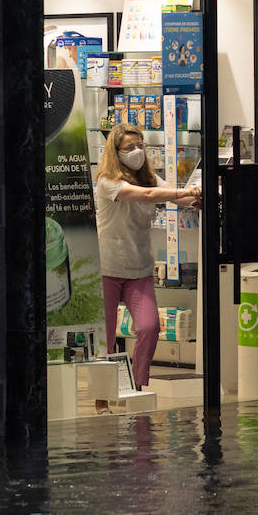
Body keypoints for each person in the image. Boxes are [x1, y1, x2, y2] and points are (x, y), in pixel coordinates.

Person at [93, 122, 201, 391]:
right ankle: (103, 397)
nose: (137, 151)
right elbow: (150, 196)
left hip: (139, 269)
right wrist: (183, 192)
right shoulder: (107, 182)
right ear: (115, 152)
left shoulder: (150, 178)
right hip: (106, 268)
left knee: (149, 327)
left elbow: (174, 197)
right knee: (103, 341)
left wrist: (198, 194)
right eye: (130, 147)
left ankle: (137, 386)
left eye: (140, 145)